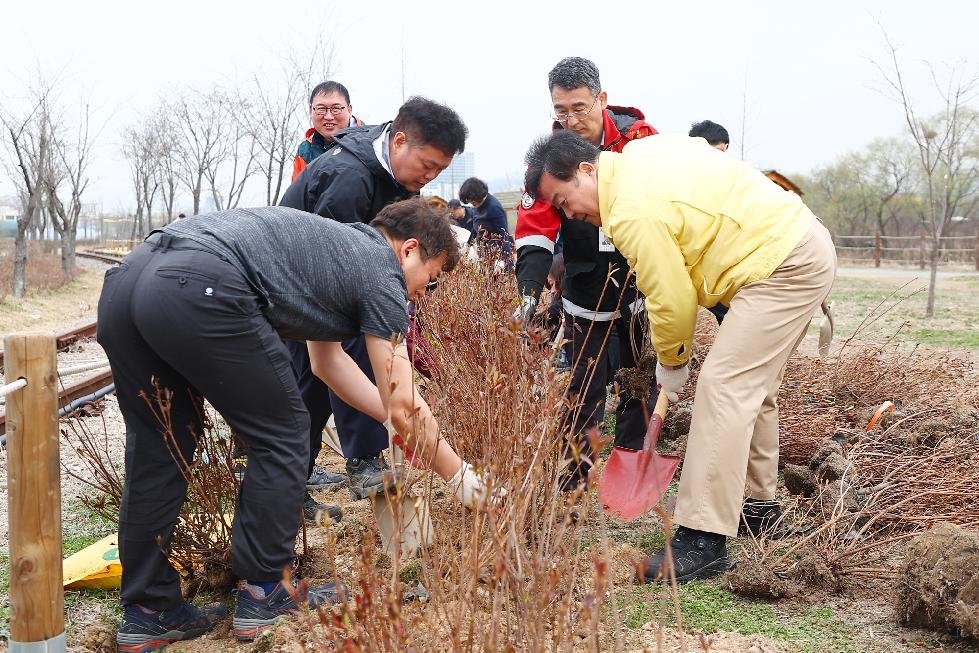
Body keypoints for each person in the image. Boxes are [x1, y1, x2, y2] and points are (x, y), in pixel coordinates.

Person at [100, 199, 493, 648]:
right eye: (432, 279)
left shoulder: (335, 256)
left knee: (161, 447)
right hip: (198, 282)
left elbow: (328, 365)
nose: (424, 294)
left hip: (129, 280)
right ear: (409, 250)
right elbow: (403, 403)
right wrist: (459, 474)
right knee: (284, 434)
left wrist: (398, 421)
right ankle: (266, 591)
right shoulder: (382, 273)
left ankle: (148, 609)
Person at [523, 130, 837, 583]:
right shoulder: (639, 155)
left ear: (587, 171)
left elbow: (671, 299)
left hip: (781, 263)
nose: (569, 213)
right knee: (752, 386)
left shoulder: (629, 211)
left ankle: (703, 539)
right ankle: (758, 507)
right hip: (791, 243)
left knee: (724, 387)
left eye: (564, 199)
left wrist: (672, 364)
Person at [280, 96, 468, 508]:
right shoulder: (350, 178)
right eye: (428, 166)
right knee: (322, 378)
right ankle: (363, 459)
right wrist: (399, 413)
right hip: (296, 287)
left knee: (313, 387)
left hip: (318, 291)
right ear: (399, 142)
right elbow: (334, 265)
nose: (429, 177)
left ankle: (294, 487)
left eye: (438, 170)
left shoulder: (394, 175)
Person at [514, 56, 659, 492]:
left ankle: (633, 460)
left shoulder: (638, 140)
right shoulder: (551, 161)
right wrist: (527, 292)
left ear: (602, 99)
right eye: (561, 111)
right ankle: (572, 473)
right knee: (582, 381)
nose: (571, 119)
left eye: (580, 107)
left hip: (637, 277)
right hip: (582, 281)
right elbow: (536, 231)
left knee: (639, 373)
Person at [292, 80, 363, 181]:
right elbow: (297, 194)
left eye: (336, 108)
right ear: (311, 110)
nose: (328, 116)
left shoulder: (370, 143)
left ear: (349, 110)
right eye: (321, 109)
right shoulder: (305, 151)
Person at [457, 176, 512, 267]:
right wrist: (468, 245)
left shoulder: (493, 207)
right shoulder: (477, 207)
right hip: (484, 254)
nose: (470, 202)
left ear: (476, 194)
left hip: (497, 256)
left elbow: (504, 235)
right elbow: (476, 229)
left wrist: (502, 260)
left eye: (471, 199)